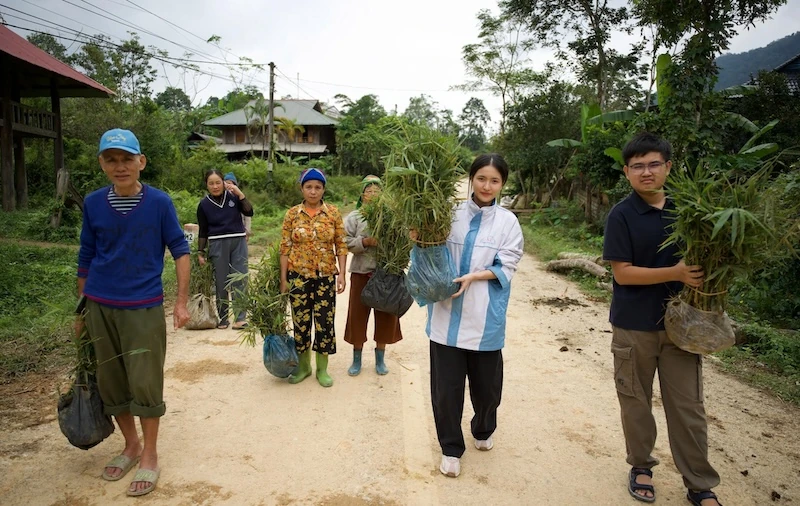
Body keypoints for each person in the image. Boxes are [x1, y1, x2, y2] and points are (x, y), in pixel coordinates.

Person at [602, 132, 722, 506]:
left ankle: (700, 484)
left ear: (668, 167)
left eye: (654, 164)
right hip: (633, 326)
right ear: (626, 172)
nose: (646, 172)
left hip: (683, 329)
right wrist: (677, 273)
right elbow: (622, 273)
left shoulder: (691, 212)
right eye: (637, 166)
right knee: (636, 403)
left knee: (688, 408)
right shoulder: (621, 215)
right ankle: (640, 466)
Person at [77, 128, 190, 497]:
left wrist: (180, 301)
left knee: (145, 383)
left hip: (142, 306)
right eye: (112, 159)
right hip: (99, 304)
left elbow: (180, 250)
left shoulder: (159, 203)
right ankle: (130, 445)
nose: (120, 166)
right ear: (102, 164)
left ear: (141, 162)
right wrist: (81, 311)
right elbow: (86, 256)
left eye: (127, 158)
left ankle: (151, 455)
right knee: (112, 382)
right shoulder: (93, 203)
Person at [424, 154, 523, 478]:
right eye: (481, 178)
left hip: (484, 318)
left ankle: (483, 428)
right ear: (471, 179)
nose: (486, 185)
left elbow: (507, 264)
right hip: (447, 315)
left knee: (486, 388)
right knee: (446, 389)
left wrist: (473, 276)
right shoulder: (449, 214)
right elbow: (430, 248)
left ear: (502, 185)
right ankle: (451, 447)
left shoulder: (508, 222)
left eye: (494, 180)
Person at [279, 168, 348, 387]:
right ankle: (304, 367)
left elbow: (341, 245)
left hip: (326, 277)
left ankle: (322, 369)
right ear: (302, 189)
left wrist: (342, 275)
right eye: (309, 187)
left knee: (324, 323)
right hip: (299, 277)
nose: (313, 191)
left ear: (323, 189)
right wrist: (283, 279)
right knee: (301, 322)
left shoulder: (333, 213)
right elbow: (285, 248)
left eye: (318, 187)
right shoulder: (292, 214)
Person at [343, 175, 403, 376]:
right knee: (357, 316)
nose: (373, 194)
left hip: (387, 273)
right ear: (362, 194)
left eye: (377, 190)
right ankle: (356, 358)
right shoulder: (354, 217)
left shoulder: (392, 215)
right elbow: (344, 241)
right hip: (361, 272)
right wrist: (365, 242)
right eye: (368, 191)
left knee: (386, 316)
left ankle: (380, 358)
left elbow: (402, 239)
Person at [196, 169, 253, 330]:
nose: (215, 186)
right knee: (221, 281)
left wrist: (240, 193)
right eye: (211, 183)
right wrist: (201, 252)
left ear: (224, 182)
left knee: (240, 278)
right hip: (217, 243)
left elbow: (249, 211)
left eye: (218, 182)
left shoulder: (233, 197)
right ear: (206, 185)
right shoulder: (204, 205)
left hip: (238, 241)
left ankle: (240, 317)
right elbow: (203, 230)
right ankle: (223, 317)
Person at [223, 172, 252, 242]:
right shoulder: (222, 199)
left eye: (230, 183)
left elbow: (247, 217)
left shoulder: (240, 198)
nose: (228, 185)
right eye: (226, 183)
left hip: (240, 232)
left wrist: (247, 232)